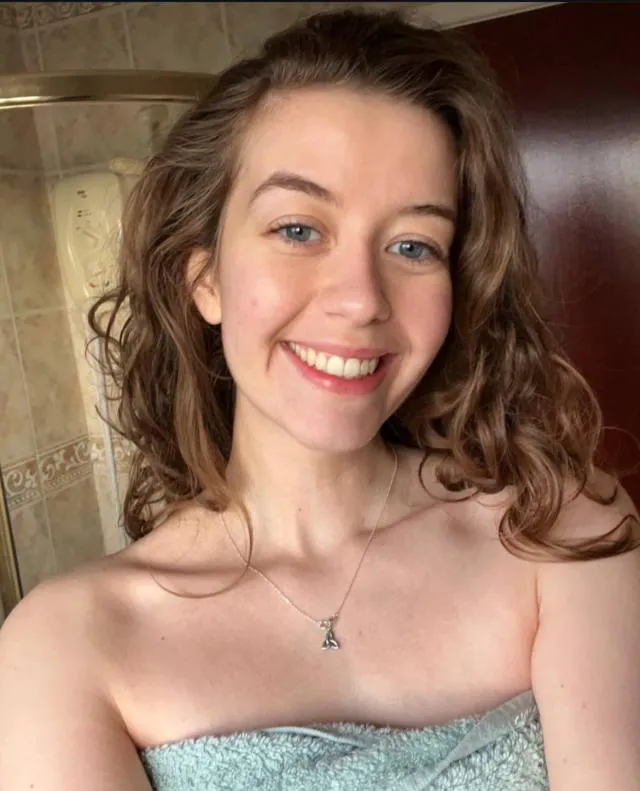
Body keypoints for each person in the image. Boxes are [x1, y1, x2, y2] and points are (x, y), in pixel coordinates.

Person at [1, 7, 639, 790]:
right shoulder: (66, 643)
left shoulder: (565, 533)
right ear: (204, 277)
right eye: (299, 229)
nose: (361, 299)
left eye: (413, 245)